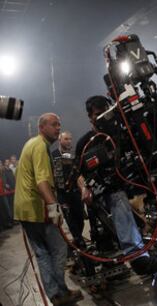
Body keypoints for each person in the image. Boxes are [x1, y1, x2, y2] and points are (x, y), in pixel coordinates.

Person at [75, 96, 157, 275]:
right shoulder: (85, 143)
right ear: (90, 117)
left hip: (129, 181)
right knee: (118, 197)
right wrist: (84, 187)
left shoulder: (121, 133)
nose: (103, 118)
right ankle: (137, 256)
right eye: (98, 114)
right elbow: (77, 172)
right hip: (106, 190)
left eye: (107, 113)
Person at [14, 113, 83, 305]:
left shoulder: (32, 144)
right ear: (42, 127)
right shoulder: (41, 147)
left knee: (42, 253)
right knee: (60, 248)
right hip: (36, 208)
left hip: (23, 209)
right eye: (54, 125)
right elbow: (42, 182)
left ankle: (55, 295)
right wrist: (54, 208)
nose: (58, 128)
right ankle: (61, 291)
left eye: (59, 125)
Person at [51, 131, 85, 248]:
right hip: (62, 195)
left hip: (75, 192)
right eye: (66, 139)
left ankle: (78, 240)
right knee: (70, 220)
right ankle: (80, 243)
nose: (69, 141)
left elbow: (78, 174)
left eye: (70, 139)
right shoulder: (53, 155)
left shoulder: (72, 156)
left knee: (80, 218)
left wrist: (83, 189)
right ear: (60, 140)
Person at [3, 159, 16, 224]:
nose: (8, 163)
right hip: (9, 192)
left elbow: (13, 179)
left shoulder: (10, 170)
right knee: (11, 206)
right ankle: (13, 220)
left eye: (8, 162)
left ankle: (15, 219)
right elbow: (5, 183)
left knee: (14, 205)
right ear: (4, 163)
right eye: (7, 162)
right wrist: (9, 188)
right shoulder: (4, 171)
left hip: (14, 190)